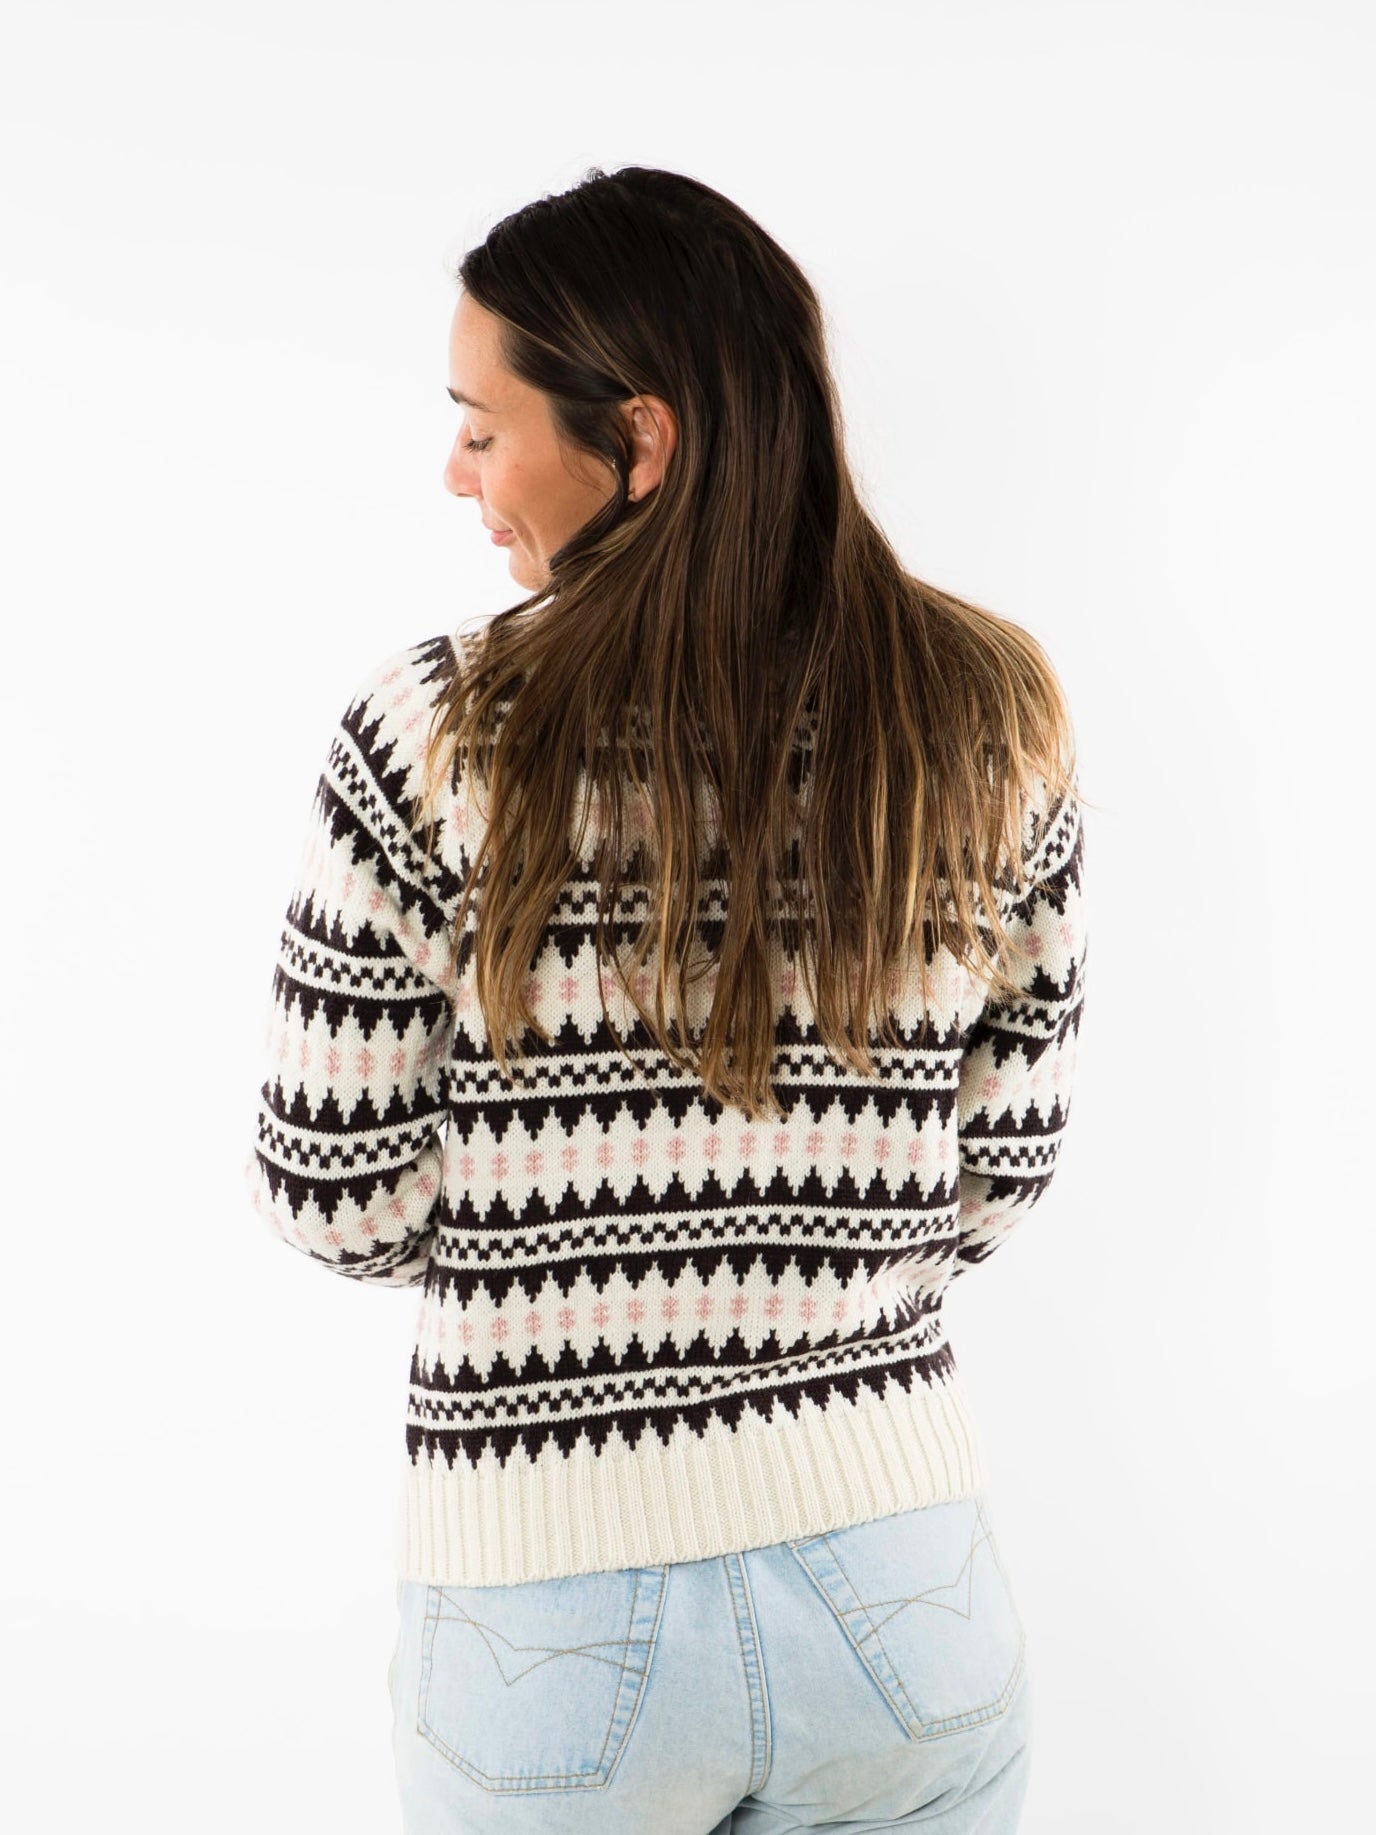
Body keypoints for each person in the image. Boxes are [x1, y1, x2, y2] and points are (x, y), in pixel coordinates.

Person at [245, 165, 1087, 1834]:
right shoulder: (987, 710)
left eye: (483, 427)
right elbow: (1002, 1165)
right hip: (906, 1592)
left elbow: (334, 1195)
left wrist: (561, 1236)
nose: (457, 471)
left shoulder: (434, 731)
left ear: (638, 440)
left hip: (551, 1615)